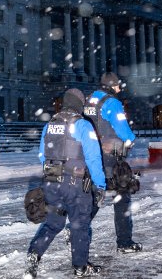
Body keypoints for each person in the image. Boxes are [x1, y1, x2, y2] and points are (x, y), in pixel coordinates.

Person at [24, 88, 106, 278]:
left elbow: (41, 155)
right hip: (75, 185)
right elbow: (94, 158)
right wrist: (100, 185)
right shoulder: (83, 125)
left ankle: (34, 254)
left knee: (53, 223)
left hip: (51, 183)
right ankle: (80, 266)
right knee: (79, 225)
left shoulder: (50, 125)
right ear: (79, 104)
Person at [85, 72, 141, 253]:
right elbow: (123, 130)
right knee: (122, 196)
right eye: (118, 85)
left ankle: (77, 229)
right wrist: (130, 140)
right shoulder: (112, 103)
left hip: (91, 155)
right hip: (110, 157)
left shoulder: (90, 100)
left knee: (95, 195)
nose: (119, 89)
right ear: (112, 86)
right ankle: (124, 243)